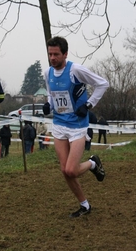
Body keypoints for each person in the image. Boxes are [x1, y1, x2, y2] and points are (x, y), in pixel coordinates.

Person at [43, 36, 109, 218]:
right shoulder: (47, 73)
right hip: (59, 125)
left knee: (72, 170)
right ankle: (85, 205)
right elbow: (51, 93)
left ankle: (93, 163)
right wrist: (49, 104)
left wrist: (88, 105)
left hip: (78, 126)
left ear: (65, 54)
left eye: (56, 54)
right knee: (65, 171)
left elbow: (102, 84)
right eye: (50, 54)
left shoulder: (75, 70)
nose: (53, 58)